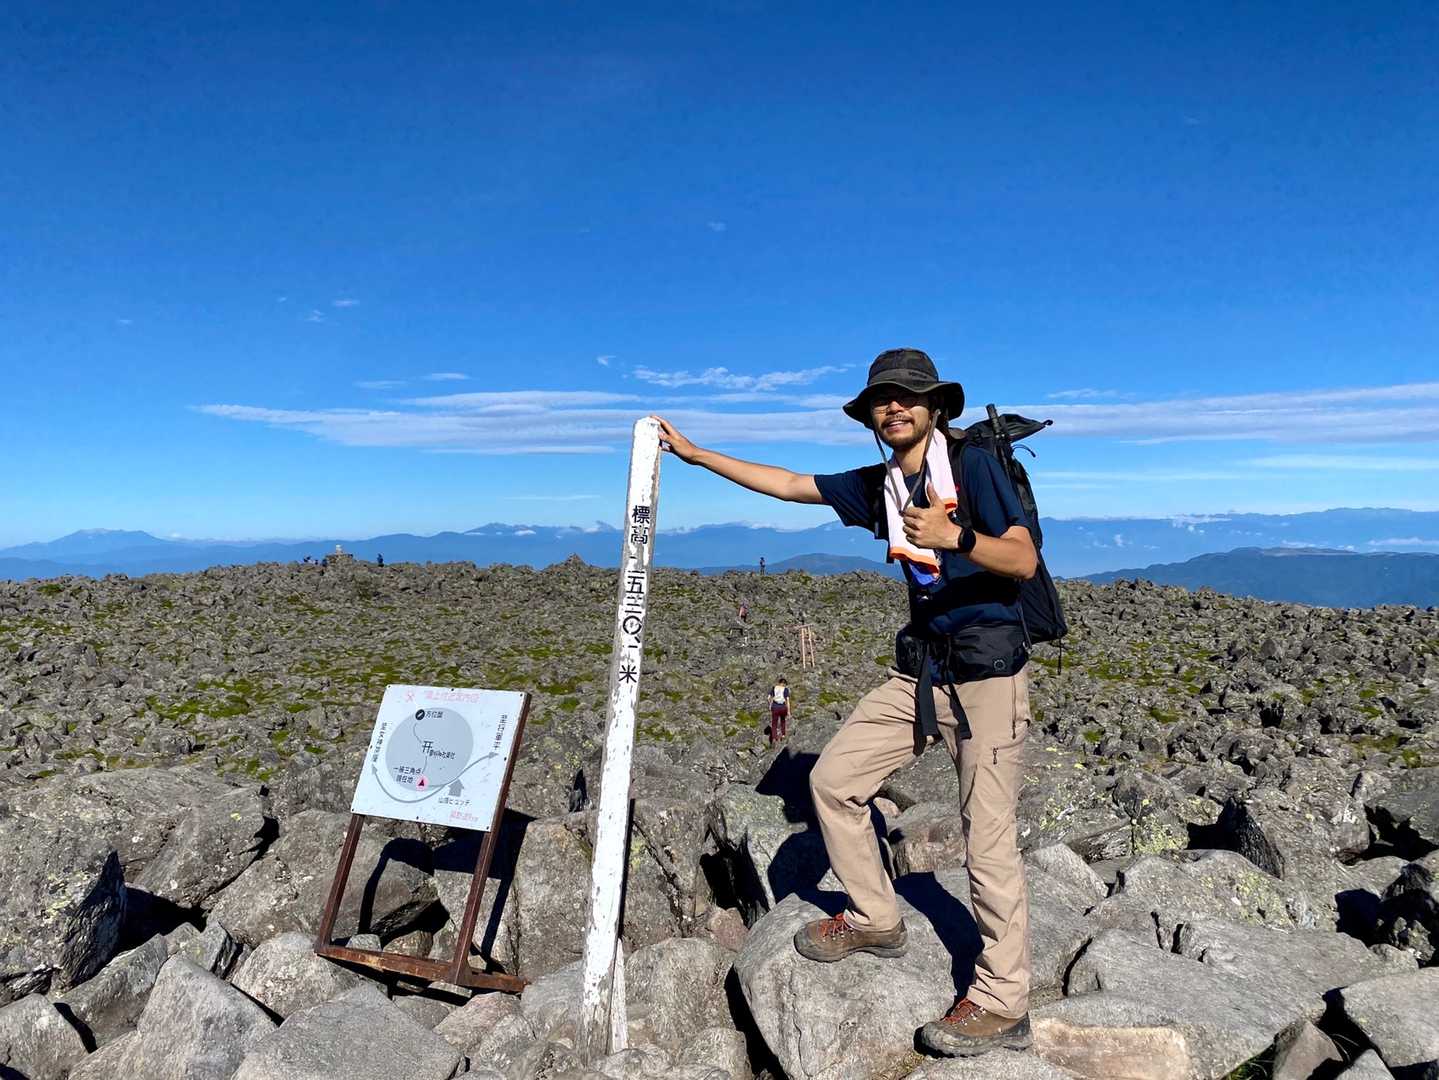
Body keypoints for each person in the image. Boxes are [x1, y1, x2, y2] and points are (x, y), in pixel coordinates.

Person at [654, 348, 1038, 1057]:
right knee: (832, 781)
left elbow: (1022, 559)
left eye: (908, 397)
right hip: (923, 673)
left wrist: (954, 536)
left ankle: (1002, 1001)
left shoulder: (975, 466)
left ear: (936, 407)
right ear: (869, 416)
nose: (894, 407)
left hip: (988, 676)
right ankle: (874, 917)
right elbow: (789, 484)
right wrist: (697, 455)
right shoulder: (880, 484)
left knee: (986, 840)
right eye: (881, 400)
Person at [768, 677, 791, 746]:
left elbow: (768, 697)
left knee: (774, 723)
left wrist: (770, 704)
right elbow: (787, 701)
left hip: (775, 706)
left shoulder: (774, 688)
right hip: (782, 707)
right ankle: (783, 735)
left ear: (779, 683)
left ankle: (774, 738)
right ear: (784, 684)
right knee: (783, 721)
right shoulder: (785, 689)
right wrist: (789, 711)